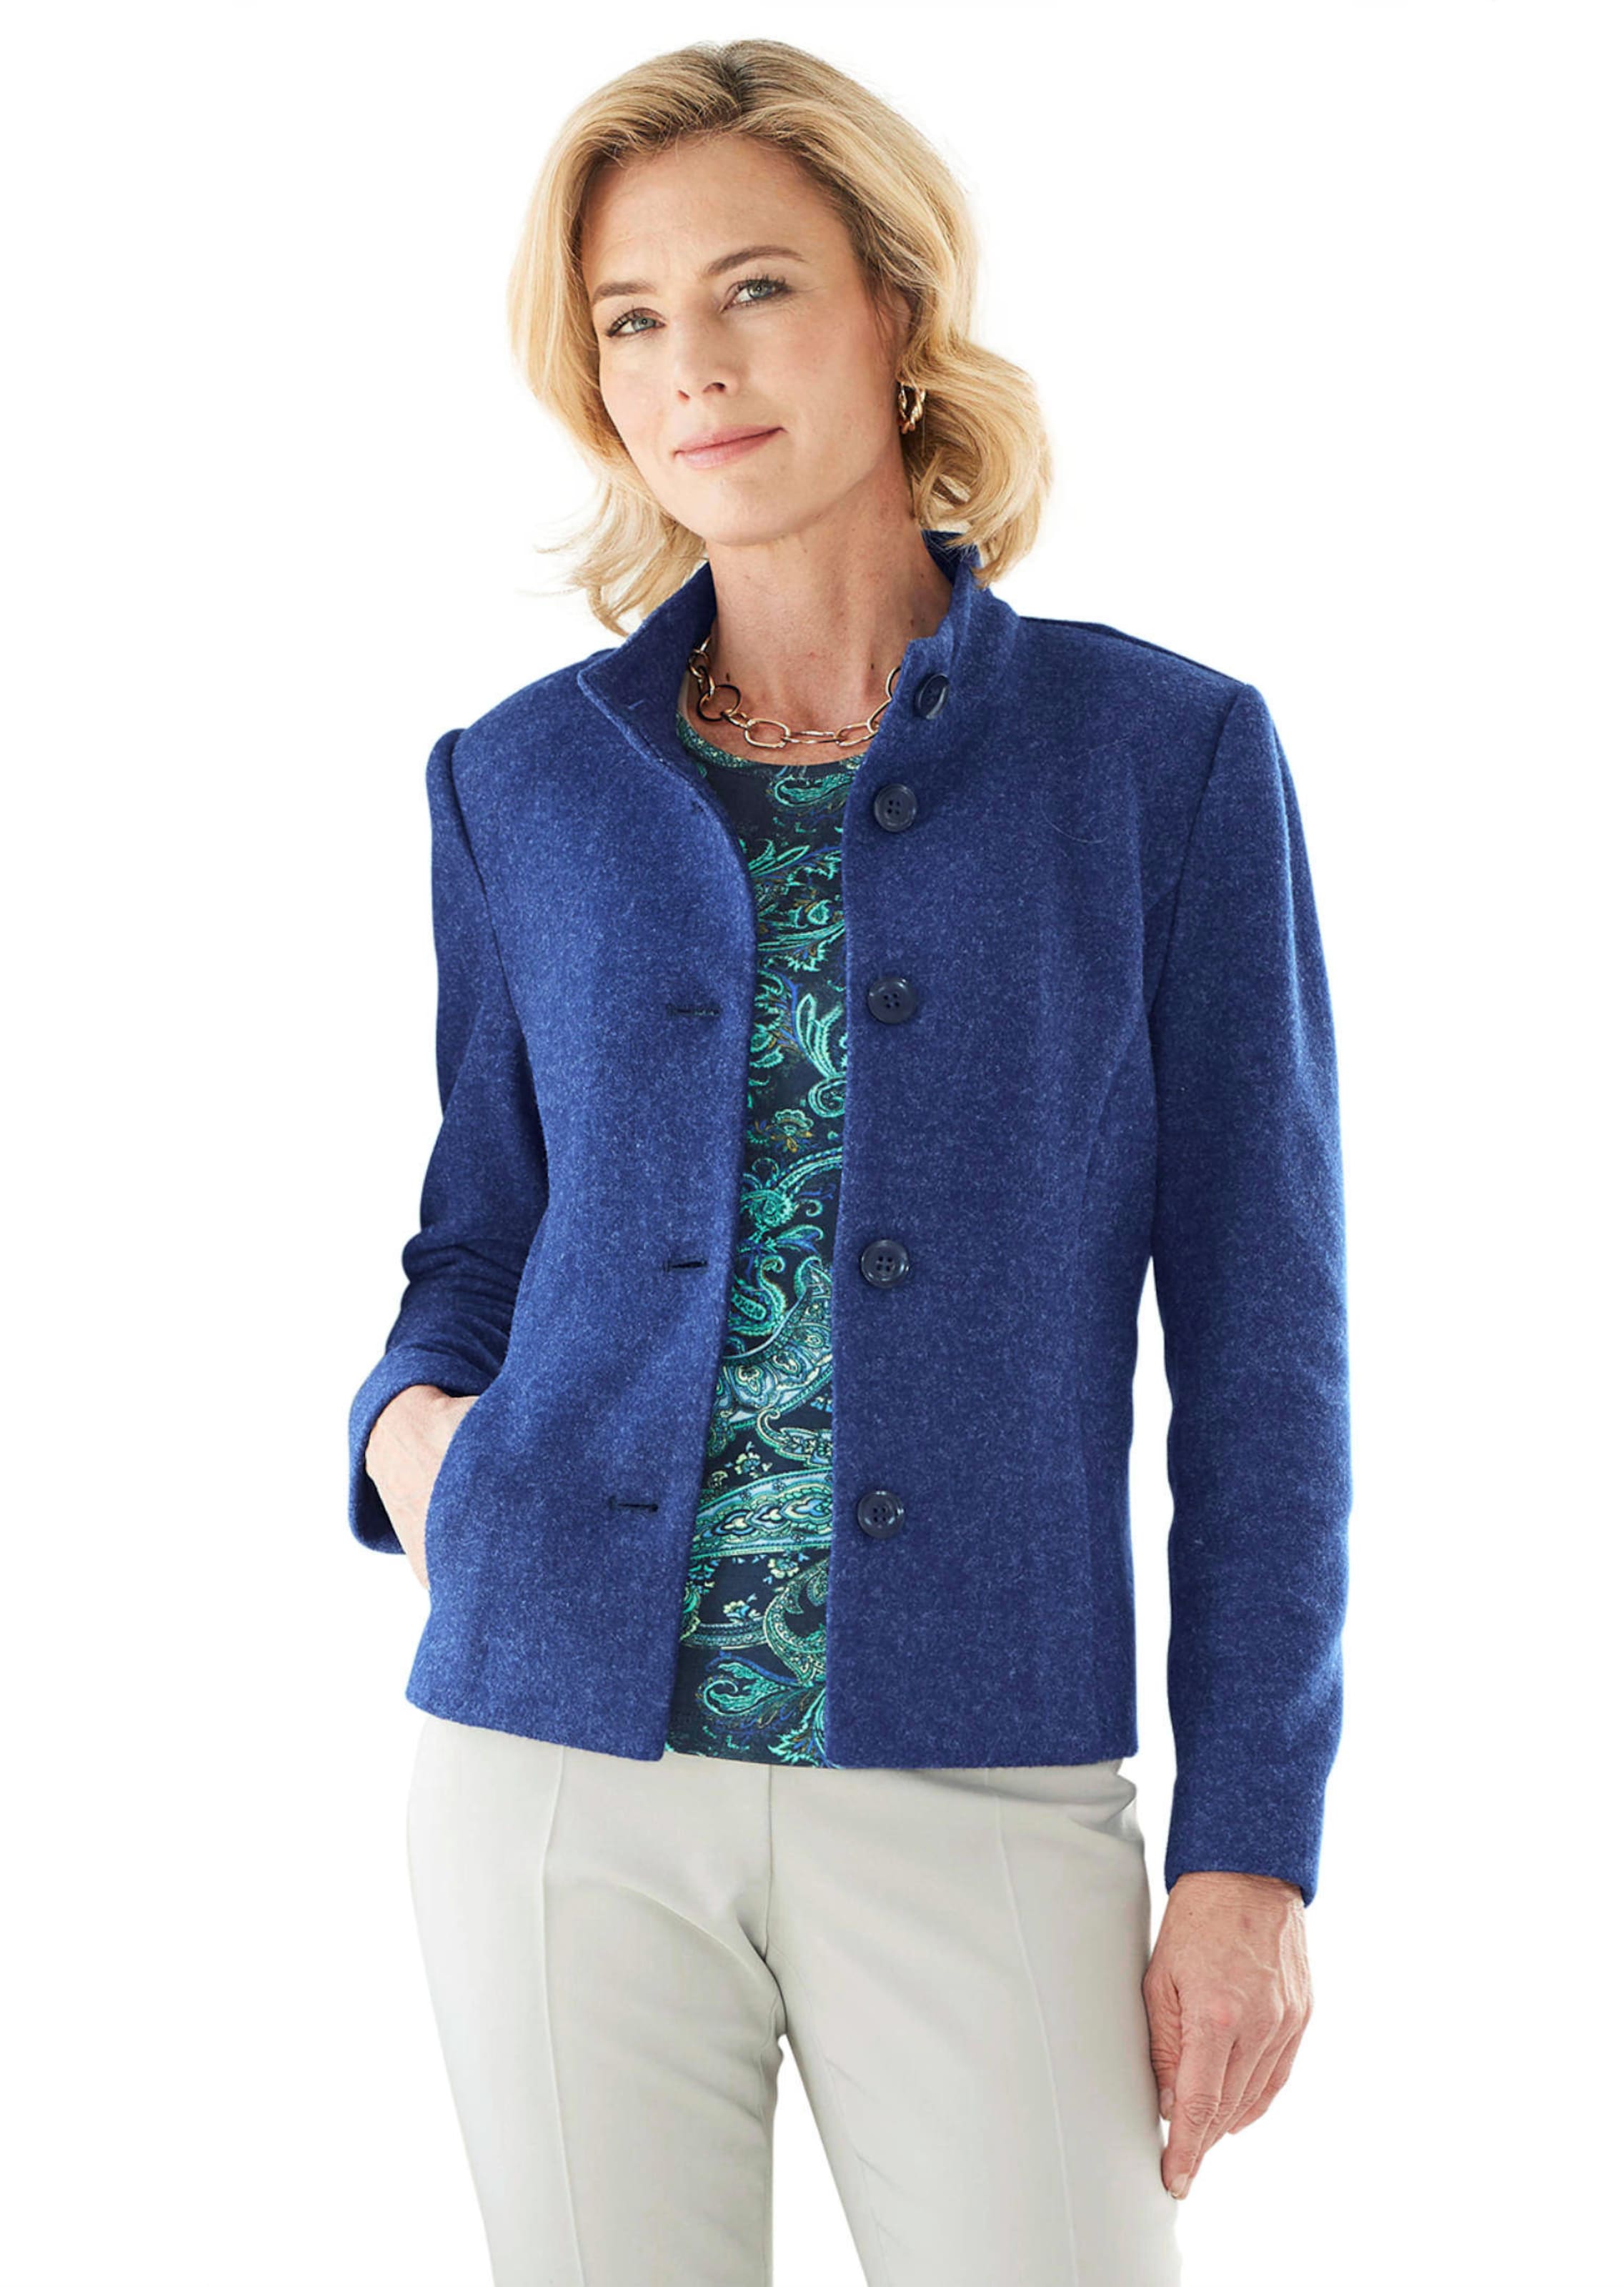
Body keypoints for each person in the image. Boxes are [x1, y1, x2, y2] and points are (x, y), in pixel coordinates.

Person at [347, 37, 1350, 2287]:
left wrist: (1251, 1852)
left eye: (755, 289)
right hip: (552, 1775)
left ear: (895, 306)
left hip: (981, 1782)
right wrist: (413, 1436)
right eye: (629, 319)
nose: (690, 368)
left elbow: (1266, 1350)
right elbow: (477, 1238)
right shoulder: (518, 784)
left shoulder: (1160, 759)